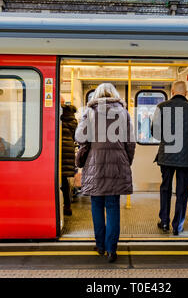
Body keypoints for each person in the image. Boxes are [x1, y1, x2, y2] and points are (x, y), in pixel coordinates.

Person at [75, 83, 136, 263]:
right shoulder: (124, 113)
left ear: (97, 95)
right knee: (112, 207)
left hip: (95, 164)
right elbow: (130, 143)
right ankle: (112, 249)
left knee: (96, 205)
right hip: (117, 165)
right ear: (114, 94)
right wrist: (126, 162)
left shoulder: (90, 112)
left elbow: (80, 137)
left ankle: (100, 245)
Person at [152, 81, 188, 235]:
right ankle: (178, 226)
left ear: (172, 91)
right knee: (182, 191)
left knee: (166, 188)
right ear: (186, 93)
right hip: (186, 157)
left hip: (166, 156)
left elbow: (155, 133)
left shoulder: (161, 107)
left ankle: (165, 222)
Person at [60, 95, 78, 216]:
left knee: (59, 180)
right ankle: (67, 206)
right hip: (69, 151)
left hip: (60, 151)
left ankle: (63, 205)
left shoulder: (58, 118)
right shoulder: (72, 119)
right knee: (64, 180)